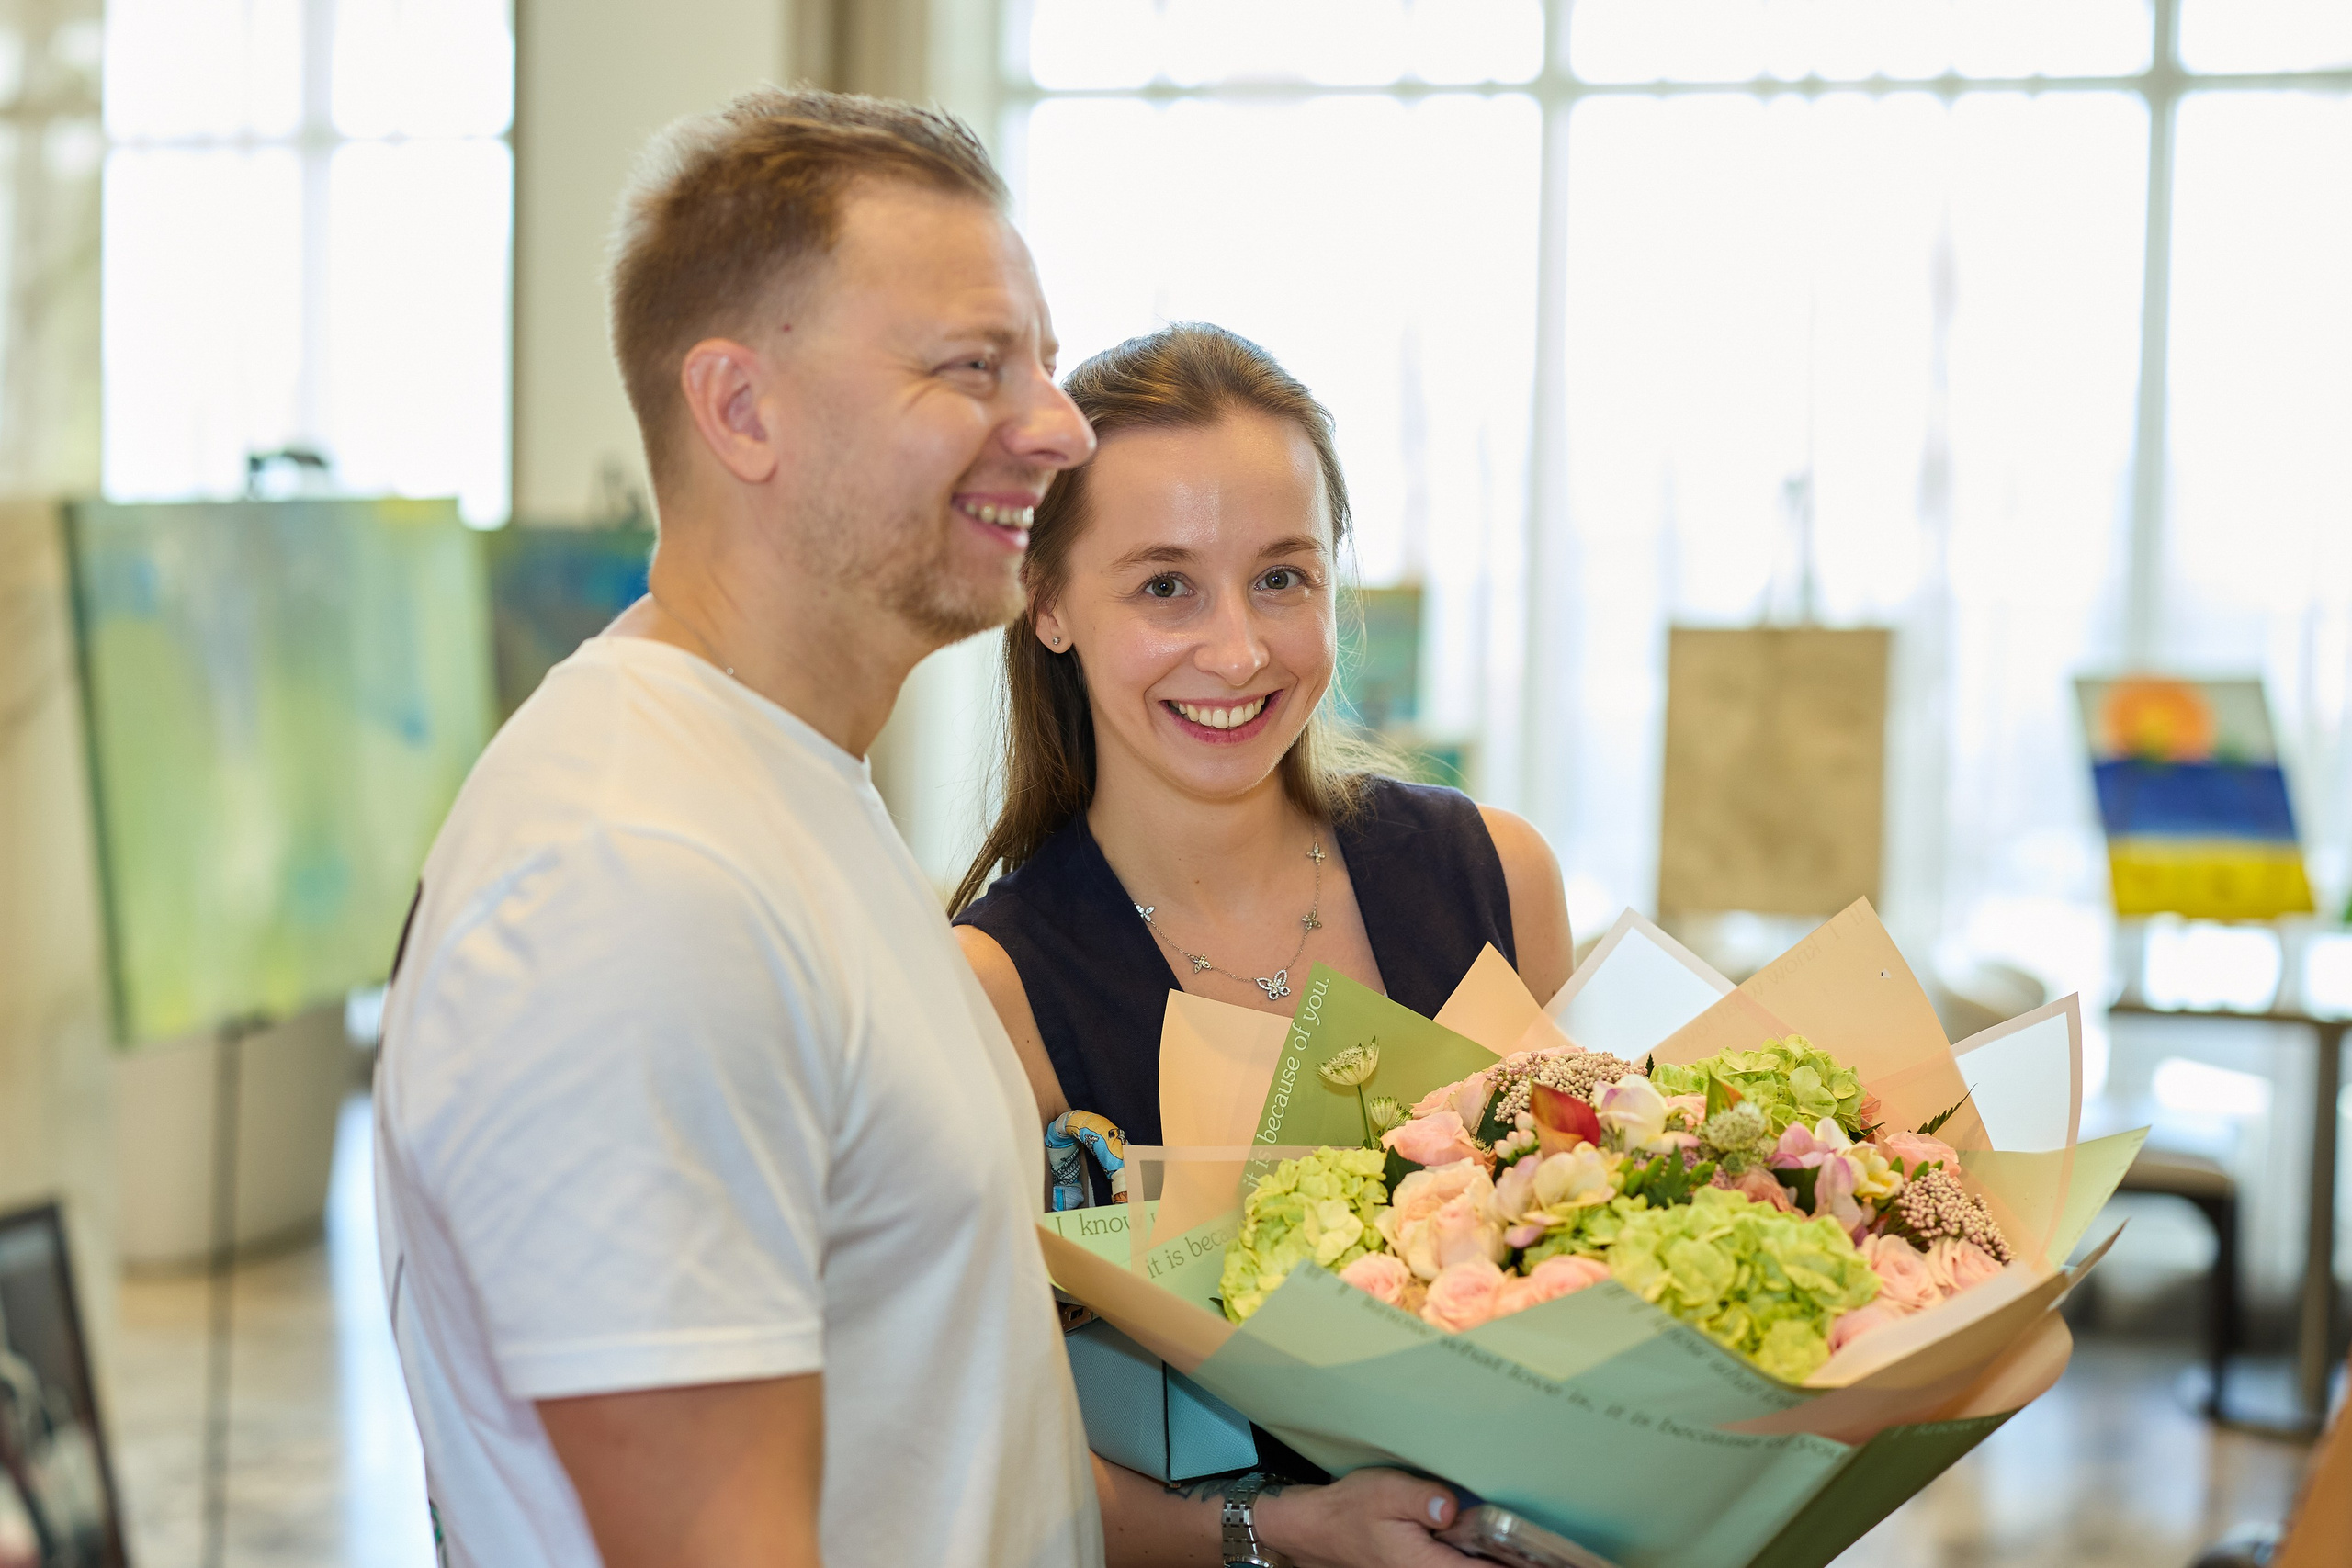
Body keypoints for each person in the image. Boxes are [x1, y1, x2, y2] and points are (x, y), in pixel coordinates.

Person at [372, 88, 1104, 1567]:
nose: (1061, 424)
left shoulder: (778, 784)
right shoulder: (635, 875)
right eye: (975, 365)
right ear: (740, 409)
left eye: (1040, 359)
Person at [953, 323, 1574, 1563]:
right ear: (1050, 602)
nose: (1237, 651)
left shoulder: (1496, 876)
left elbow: (1599, 1277)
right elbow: (984, 1449)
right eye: (1165, 584)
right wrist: (1280, 1530)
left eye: (1282, 577)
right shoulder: (992, 991)